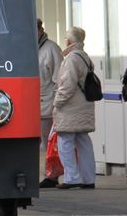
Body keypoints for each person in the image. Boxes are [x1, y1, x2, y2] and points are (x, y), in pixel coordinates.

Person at [51, 27, 97, 189]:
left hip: (70, 108)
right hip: (83, 105)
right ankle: (88, 178)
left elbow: (67, 85)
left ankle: (72, 178)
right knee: (83, 142)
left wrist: (57, 103)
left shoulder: (71, 59)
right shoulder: (85, 57)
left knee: (65, 143)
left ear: (69, 41)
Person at [37, 19, 64, 188]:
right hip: (32, 103)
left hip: (46, 104)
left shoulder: (51, 49)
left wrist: (55, 103)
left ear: (40, 30)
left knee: (48, 143)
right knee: (40, 142)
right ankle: (45, 174)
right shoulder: (30, 47)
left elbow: (58, 79)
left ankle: (52, 175)